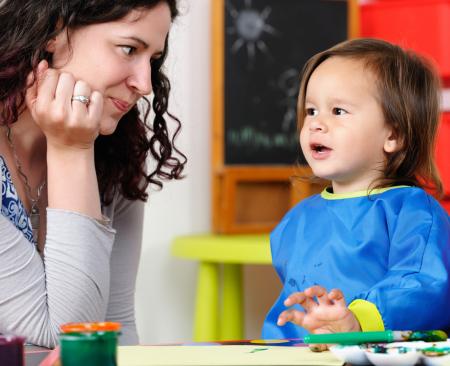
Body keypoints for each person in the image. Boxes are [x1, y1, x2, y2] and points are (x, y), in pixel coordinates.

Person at [0, 0, 185, 348]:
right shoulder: (83, 145)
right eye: (129, 48)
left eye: (154, 59)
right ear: (55, 32)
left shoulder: (118, 154)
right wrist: (71, 152)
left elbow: (116, 326)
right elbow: (68, 335)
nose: (145, 84)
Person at [262, 38, 450, 346]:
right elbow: (294, 308)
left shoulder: (412, 211)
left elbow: (423, 285)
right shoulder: (296, 220)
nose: (316, 124)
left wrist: (358, 320)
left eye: (338, 110)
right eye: (311, 110)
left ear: (394, 134)